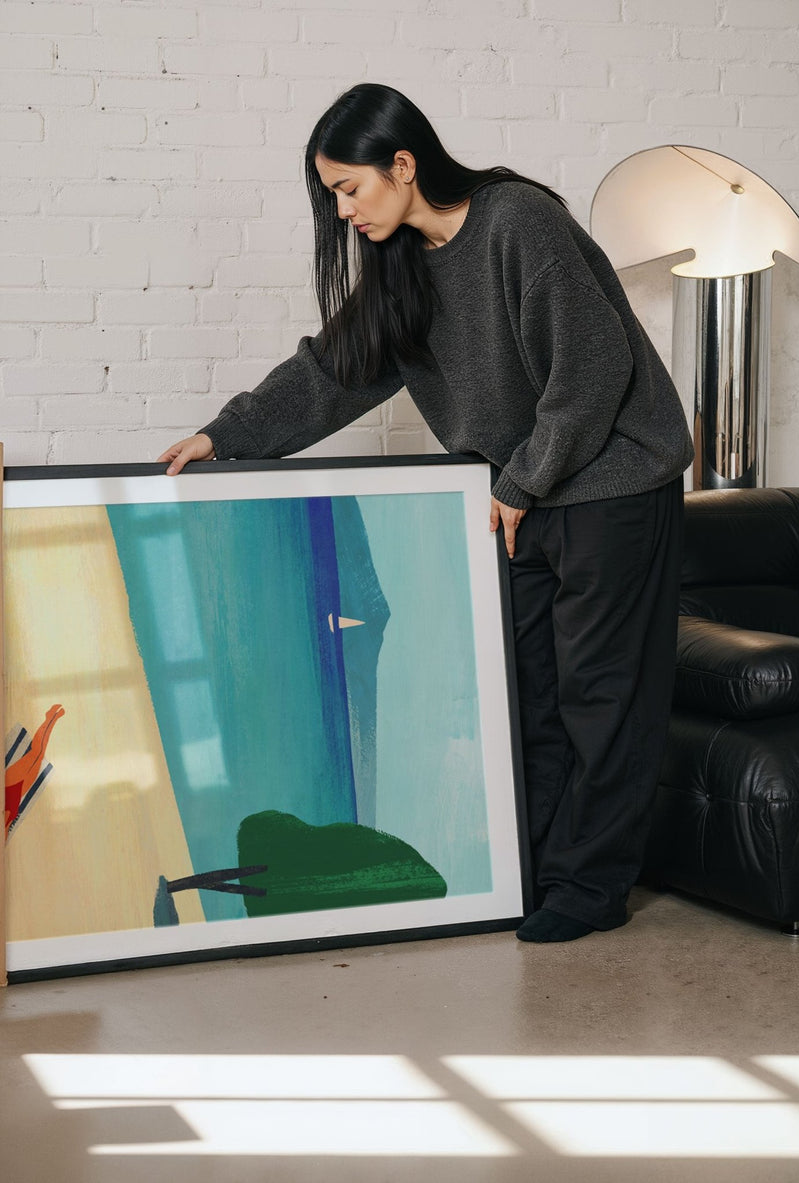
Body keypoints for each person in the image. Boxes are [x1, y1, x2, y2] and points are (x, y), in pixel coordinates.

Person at [158, 83, 694, 943]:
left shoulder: (518, 222)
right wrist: (228, 435)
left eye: (350, 189)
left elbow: (591, 371)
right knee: (530, 695)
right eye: (331, 195)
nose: (342, 212)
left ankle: (589, 888)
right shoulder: (403, 264)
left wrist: (522, 481)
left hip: (611, 480)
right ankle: (539, 871)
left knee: (603, 694)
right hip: (522, 492)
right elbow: (335, 369)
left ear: (403, 165)